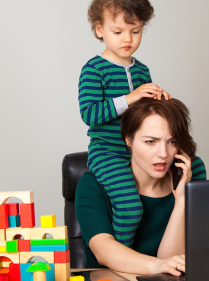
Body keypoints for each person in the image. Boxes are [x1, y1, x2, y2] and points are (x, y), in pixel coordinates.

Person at [78, 0, 174, 248]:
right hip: (108, 153)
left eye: (135, 31)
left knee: (193, 165)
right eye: (118, 32)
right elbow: (89, 114)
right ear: (100, 29)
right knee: (130, 208)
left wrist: (159, 100)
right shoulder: (94, 70)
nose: (127, 39)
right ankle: (123, 263)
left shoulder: (142, 70)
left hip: (141, 151)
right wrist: (129, 99)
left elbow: (148, 115)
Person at [75, 97, 207, 276]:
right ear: (128, 140)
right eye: (150, 142)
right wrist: (157, 266)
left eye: (172, 142)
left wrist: (182, 201)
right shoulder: (92, 185)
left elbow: (172, 268)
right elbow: (103, 251)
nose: (163, 154)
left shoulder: (189, 177)